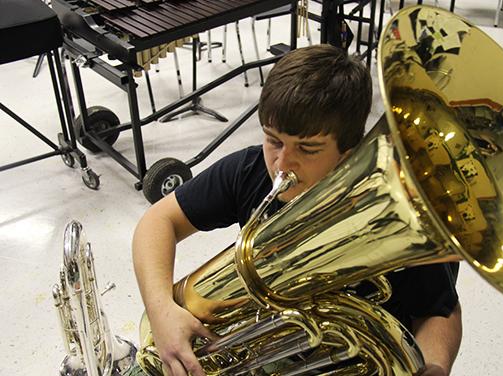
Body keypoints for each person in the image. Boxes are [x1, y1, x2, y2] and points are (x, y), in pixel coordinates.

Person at [132, 44, 462, 376]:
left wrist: (436, 366)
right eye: (273, 140)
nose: (282, 164)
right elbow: (158, 220)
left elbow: (439, 311)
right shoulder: (248, 170)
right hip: (265, 345)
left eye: (307, 148)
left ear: (347, 154)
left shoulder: (390, 212)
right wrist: (161, 312)